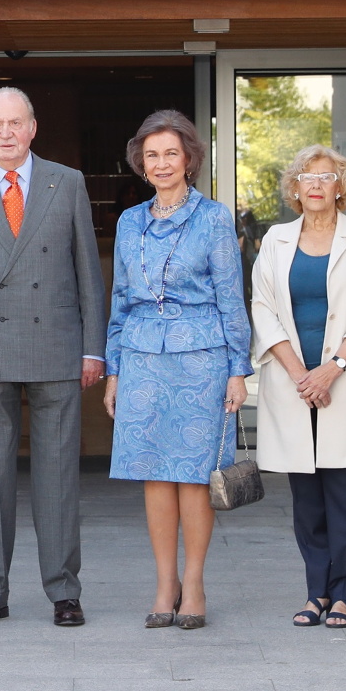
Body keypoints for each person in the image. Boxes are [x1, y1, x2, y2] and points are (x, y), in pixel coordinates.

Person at [0, 87, 105, 627]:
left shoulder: (67, 181)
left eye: (15, 123)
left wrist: (93, 346)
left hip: (55, 341)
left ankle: (63, 591)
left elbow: (88, 276)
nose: (5, 133)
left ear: (33, 127)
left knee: (58, 478)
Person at [103, 109, 251, 630]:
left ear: (189, 159)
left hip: (202, 360)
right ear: (140, 164)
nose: (162, 163)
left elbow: (232, 299)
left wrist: (239, 369)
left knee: (192, 477)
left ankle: (196, 581)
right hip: (142, 359)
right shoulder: (129, 221)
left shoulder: (213, 217)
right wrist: (114, 369)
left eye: (171, 153)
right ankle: (165, 583)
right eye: (152, 155)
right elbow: (120, 298)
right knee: (154, 476)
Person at [250, 146, 346, 630]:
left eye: (325, 177)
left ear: (340, 187)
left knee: (343, 497)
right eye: (306, 177)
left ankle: (345, 594)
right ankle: (316, 593)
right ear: (295, 188)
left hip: (344, 384)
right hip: (294, 384)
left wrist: (331, 369)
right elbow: (263, 308)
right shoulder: (275, 239)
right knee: (306, 500)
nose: (315, 184)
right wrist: (300, 375)